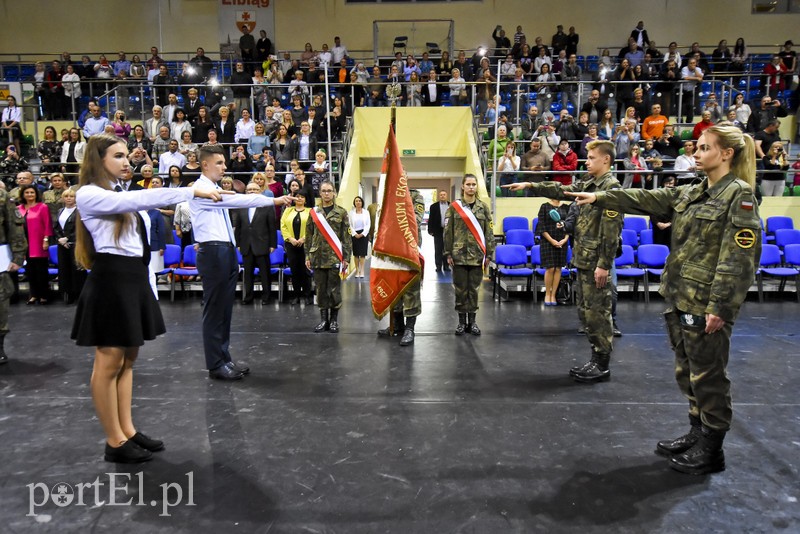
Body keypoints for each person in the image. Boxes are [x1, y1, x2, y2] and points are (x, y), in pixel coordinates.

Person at [565, 124, 760, 475]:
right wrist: (598, 197)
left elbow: (739, 260)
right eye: (696, 148)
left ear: (727, 153)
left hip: (707, 305)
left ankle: (712, 449)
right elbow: (644, 199)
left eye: (704, 148)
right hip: (681, 297)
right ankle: (697, 433)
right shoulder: (695, 191)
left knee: (710, 375)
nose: (696, 153)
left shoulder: (738, 196)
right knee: (688, 371)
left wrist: (720, 306)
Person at [71, 134, 224, 463]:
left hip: (131, 278)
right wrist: (189, 189)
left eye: (127, 155)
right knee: (108, 362)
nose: (127, 161)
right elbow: (136, 204)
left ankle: (126, 430)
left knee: (127, 362)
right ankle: (114, 442)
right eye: (118, 156)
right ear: (99, 160)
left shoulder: (119, 192)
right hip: (111, 280)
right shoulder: (89, 194)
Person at [505, 140, 623, 383]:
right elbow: (561, 190)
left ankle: (602, 364)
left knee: (599, 313)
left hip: (596, 264)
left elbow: (611, 233)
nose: (586, 161)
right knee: (587, 312)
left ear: (606, 160)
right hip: (584, 259)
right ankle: (594, 359)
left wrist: (603, 264)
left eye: (591, 158)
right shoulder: (589, 184)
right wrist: (530, 184)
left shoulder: (611, 189)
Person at [190, 144, 292, 380]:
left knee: (224, 310)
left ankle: (224, 358)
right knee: (215, 310)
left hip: (223, 250)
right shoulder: (201, 189)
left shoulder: (212, 187)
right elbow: (239, 200)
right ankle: (215, 364)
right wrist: (273, 201)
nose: (224, 167)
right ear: (204, 164)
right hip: (213, 251)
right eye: (219, 163)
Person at [443, 174, 495, 336]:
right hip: (458, 255)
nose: (471, 187)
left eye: (474, 184)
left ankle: (472, 322)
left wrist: (489, 254)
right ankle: (461, 322)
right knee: (460, 290)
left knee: (473, 290)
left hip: (477, 256)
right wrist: (448, 253)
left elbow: (489, 232)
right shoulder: (454, 207)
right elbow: (448, 232)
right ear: (463, 187)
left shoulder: (483, 208)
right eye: (469, 184)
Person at [377, 186, 425, 346]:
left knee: (411, 288)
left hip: (409, 249)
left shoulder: (415, 196)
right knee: (394, 286)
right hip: (392, 248)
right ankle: (397, 325)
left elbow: (415, 220)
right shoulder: (386, 195)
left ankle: (409, 329)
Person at [305, 180, 351, 333]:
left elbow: (346, 238)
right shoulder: (314, 213)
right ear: (320, 193)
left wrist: (346, 258)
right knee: (320, 290)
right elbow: (309, 235)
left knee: (334, 290)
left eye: (329, 190)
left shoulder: (342, 212)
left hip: (334, 257)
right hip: (317, 257)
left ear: (334, 192)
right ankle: (323, 320)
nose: (326, 193)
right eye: (324, 191)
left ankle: (334, 321)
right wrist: (307, 256)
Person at [231, 181, 278, 304]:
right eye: (249, 190)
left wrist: (272, 244)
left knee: (265, 273)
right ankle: (248, 297)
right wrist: (239, 244)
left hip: (262, 244)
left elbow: (272, 226)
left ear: (260, 191)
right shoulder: (242, 206)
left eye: (254, 190)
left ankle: (266, 297)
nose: (252, 192)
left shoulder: (266, 206)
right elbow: (238, 227)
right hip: (246, 245)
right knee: (248, 274)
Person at [18, 184, 53, 305]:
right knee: (30, 271)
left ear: (36, 194)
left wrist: (46, 240)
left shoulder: (42, 207)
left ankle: (43, 295)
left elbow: (47, 224)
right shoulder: (19, 208)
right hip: (24, 243)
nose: (29, 195)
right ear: (23, 195)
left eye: (32, 192)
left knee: (41, 270)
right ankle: (33, 295)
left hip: (39, 242)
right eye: (27, 192)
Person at [280, 183, 313, 305]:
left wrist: (304, 238)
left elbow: (312, 228)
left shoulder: (311, 211)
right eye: (297, 196)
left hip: (306, 244)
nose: (299, 198)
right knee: (295, 271)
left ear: (305, 199)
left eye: (302, 197)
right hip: (291, 244)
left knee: (306, 270)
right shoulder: (288, 211)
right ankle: (296, 295)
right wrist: (291, 239)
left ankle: (307, 295)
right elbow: (283, 225)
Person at [537, 198, 570, 305]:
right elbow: (541, 226)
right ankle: (547, 294)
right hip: (547, 241)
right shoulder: (544, 206)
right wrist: (552, 241)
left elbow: (570, 225)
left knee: (558, 268)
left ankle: (553, 295)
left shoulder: (566, 207)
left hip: (562, 241)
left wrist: (565, 239)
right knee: (550, 268)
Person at [427, 189, 450, 273]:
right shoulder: (434, 206)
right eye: (441, 195)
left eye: (444, 194)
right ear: (439, 196)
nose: (442, 196)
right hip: (438, 231)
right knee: (438, 249)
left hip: (448, 232)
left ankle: (446, 266)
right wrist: (430, 230)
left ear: (446, 196)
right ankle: (438, 266)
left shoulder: (451, 206)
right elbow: (431, 219)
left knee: (447, 249)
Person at [348, 196, 370, 278]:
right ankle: (357, 271)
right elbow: (349, 224)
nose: (358, 202)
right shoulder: (351, 213)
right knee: (356, 254)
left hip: (363, 234)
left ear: (362, 202)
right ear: (354, 203)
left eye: (359, 201)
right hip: (354, 234)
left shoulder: (366, 212)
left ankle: (362, 270)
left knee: (363, 254)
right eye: (356, 201)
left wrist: (362, 234)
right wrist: (354, 233)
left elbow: (368, 224)